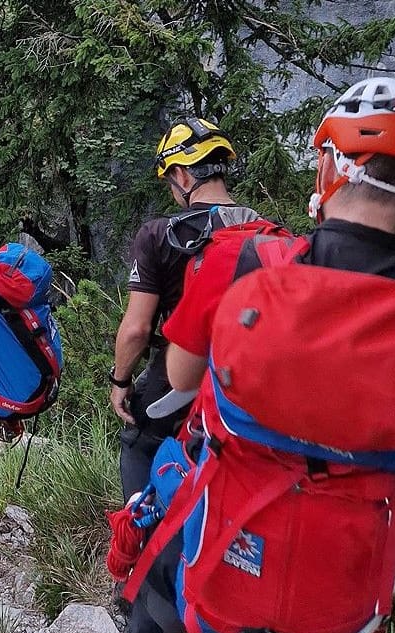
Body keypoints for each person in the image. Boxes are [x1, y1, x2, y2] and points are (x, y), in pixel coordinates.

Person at [103, 76, 395, 633]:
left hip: (220, 531)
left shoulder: (251, 262)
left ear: (331, 166)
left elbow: (178, 383)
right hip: (336, 577)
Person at [109, 117, 256, 500]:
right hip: (247, 379)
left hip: (179, 376)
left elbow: (137, 329)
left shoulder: (159, 235)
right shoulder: (265, 231)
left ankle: (142, 542)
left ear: (182, 175)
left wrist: (120, 380)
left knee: (138, 443)